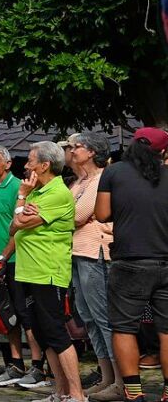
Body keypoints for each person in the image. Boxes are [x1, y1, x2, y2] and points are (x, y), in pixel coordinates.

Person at [96, 127, 168, 402]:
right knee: (166, 330)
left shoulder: (114, 173)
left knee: (124, 327)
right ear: (162, 152)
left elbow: (102, 214)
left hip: (130, 261)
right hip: (166, 259)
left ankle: (134, 393)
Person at [11, 141, 83, 402]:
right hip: (28, 271)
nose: (26, 166)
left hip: (48, 271)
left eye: (30, 161)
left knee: (56, 332)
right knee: (42, 334)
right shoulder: (36, 193)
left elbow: (22, 220)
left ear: (44, 165)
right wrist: (22, 209)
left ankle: (77, 395)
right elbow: (14, 227)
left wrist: (20, 198)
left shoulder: (57, 193)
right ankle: (61, 392)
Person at [0, 146, 47, 390]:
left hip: (17, 261)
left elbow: (20, 227)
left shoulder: (19, 188)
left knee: (26, 315)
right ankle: (16, 364)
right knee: (8, 317)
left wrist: (2, 257)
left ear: (7, 164)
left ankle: (37, 366)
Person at [65, 131, 120, 400]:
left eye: (77, 146)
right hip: (77, 252)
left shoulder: (101, 179)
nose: (72, 150)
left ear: (92, 152)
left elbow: (76, 216)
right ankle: (106, 376)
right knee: (88, 318)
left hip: (95, 251)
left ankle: (121, 380)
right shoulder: (78, 183)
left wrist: (64, 217)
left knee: (103, 317)